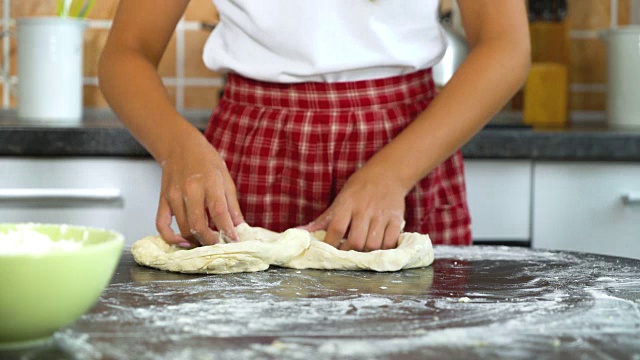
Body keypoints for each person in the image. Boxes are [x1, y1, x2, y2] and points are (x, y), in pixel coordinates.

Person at [99, 0, 530, 252]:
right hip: (253, 151)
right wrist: (179, 150)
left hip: (407, 152)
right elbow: (126, 54)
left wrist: (392, 175)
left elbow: (506, 46)